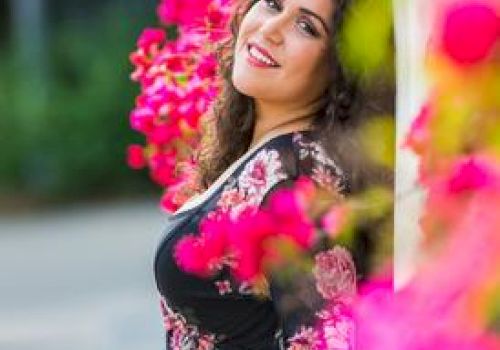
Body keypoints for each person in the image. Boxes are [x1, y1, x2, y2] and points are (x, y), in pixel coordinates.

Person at [153, 0, 369, 348]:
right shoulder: (273, 155)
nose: (271, 29)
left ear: (339, 67)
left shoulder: (299, 180)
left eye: (306, 26)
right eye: (272, 4)